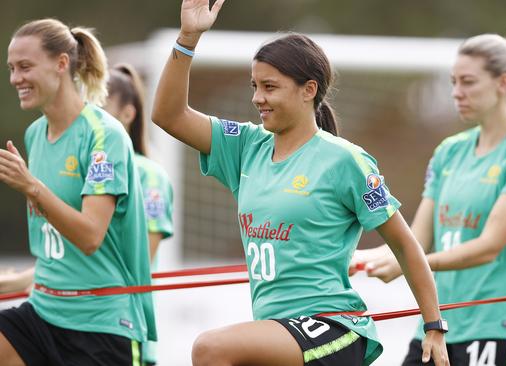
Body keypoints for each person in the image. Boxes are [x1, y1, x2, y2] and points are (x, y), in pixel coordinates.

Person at [152, 1, 449, 365]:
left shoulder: (345, 160)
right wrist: (188, 38)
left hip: (334, 328)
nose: (257, 98)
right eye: (255, 86)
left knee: (210, 348)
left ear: (308, 90)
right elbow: (168, 115)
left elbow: (405, 245)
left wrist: (433, 325)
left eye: (270, 87)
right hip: (279, 332)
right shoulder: (246, 146)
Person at [351, 23, 506, 366]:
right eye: (453, 82)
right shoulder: (448, 151)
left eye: (468, 82)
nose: (456, 92)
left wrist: (407, 265)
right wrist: (350, 258)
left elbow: (489, 247)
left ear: (503, 83)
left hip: (496, 327)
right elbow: (414, 240)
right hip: (437, 325)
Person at [0, 18, 155, 365]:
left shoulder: (104, 135)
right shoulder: (35, 135)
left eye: (25, 67)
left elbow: (89, 236)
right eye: (11, 69)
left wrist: (31, 187)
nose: (15, 79)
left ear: (61, 63)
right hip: (44, 311)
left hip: (100, 324)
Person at [105, 63, 175, 366]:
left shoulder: (148, 174)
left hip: (123, 329)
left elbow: (141, 260)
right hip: (74, 325)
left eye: (99, 108)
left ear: (128, 114)